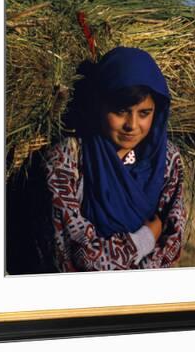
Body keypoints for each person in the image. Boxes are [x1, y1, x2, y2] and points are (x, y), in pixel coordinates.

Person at [42, 46, 186, 272]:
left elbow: (171, 243)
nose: (132, 125)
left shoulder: (167, 161)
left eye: (144, 113)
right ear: (99, 105)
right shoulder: (66, 161)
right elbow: (80, 256)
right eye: (120, 111)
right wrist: (144, 239)